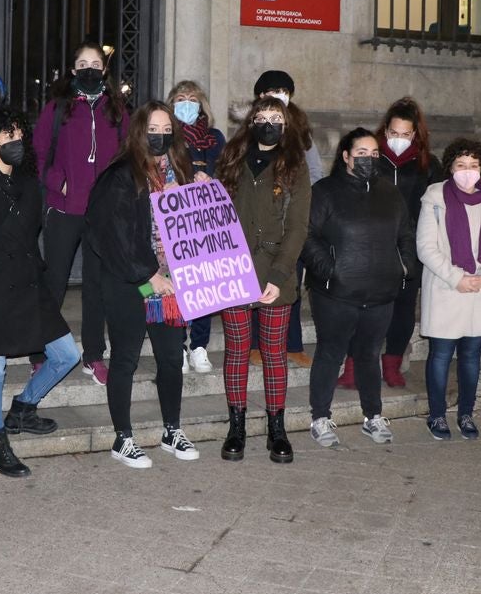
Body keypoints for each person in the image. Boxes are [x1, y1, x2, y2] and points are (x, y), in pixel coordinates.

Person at [0, 107, 81, 478]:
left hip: (28, 284)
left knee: (65, 354)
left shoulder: (29, 184)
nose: (16, 143)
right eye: (7, 136)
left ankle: (23, 407)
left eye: (19, 135)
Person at [84, 101, 198, 468]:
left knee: (170, 358)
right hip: (131, 283)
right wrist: (149, 275)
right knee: (126, 360)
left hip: (171, 286)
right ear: (138, 132)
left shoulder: (181, 172)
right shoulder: (120, 175)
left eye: (167, 130)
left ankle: (172, 430)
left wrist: (205, 190)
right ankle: (123, 438)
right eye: (153, 129)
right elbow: (109, 235)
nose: (160, 136)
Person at [302, 128, 417, 449]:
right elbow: (307, 235)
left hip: (381, 293)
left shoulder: (390, 193)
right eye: (362, 153)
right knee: (330, 353)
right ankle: (320, 417)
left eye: (374, 153)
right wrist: (330, 269)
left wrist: (404, 267)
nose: (369, 159)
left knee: (369, 355)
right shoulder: (325, 191)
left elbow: (405, 235)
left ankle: (373, 416)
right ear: (346, 157)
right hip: (336, 294)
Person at [214, 96, 312, 464]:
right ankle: (236, 426)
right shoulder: (232, 157)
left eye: (276, 118)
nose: (268, 123)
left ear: (286, 125)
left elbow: (299, 225)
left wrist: (279, 273)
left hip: (276, 272)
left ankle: (277, 429)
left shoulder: (295, 165)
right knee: (237, 351)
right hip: (234, 269)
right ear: (250, 121)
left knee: (273, 353)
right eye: (261, 117)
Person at [33, 41, 129, 384]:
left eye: (95, 63)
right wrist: (57, 183)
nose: (89, 68)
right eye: (82, 63)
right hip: (64, 207)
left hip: (102, 212)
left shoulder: (117, 109)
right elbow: (39, 153)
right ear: (73, 70)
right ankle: (39, 349)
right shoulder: (57, 108)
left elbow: (127, 156)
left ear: (104, 70)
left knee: (95, 285)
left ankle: (93, 355)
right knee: (55, 280)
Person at [416, 137, 481, 441]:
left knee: (472, 355)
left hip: (480, 290)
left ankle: (466, 412)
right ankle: (437, 415)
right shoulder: (435, 196)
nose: (467, 171)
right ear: (450, 167)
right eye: (461, 165)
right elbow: (426, 247)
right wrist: (457, 277)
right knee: (441, 355)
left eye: (474, 165)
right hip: (447, 288)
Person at [355, 96, 444, 390]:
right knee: (364, 307)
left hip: (410, 249)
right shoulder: (371, 159)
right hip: (371, 247)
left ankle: (392, 363)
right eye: (394, 133)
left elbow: (437, 209)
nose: (399, 140)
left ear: (416, 135)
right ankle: (353, 363)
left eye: (406, 135)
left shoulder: (428, 165)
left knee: (403, 309)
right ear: (385, 131)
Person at [250, 70, 322, 369]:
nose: (278, 95)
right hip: (259, 225)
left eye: (283, 90)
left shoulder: (302, 133)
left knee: (289, 283)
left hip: (291, 220)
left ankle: (292, 344)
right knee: (255, 285)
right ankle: (255, 344)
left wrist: (302, 204)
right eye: (271, 91)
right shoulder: (252, 132)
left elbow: (315, 172)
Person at [166, 79, 225, 374]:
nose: (186, 102)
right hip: (175, 219)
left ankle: (199, 345)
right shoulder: (167, 136)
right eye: (180, 97)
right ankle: (177, 345)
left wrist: (209, 175)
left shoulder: (215, 137)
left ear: (202, 103)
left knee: (204, 283)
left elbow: (225, 169)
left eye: (192, 97)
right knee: (176, 284)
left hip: (205, 219)